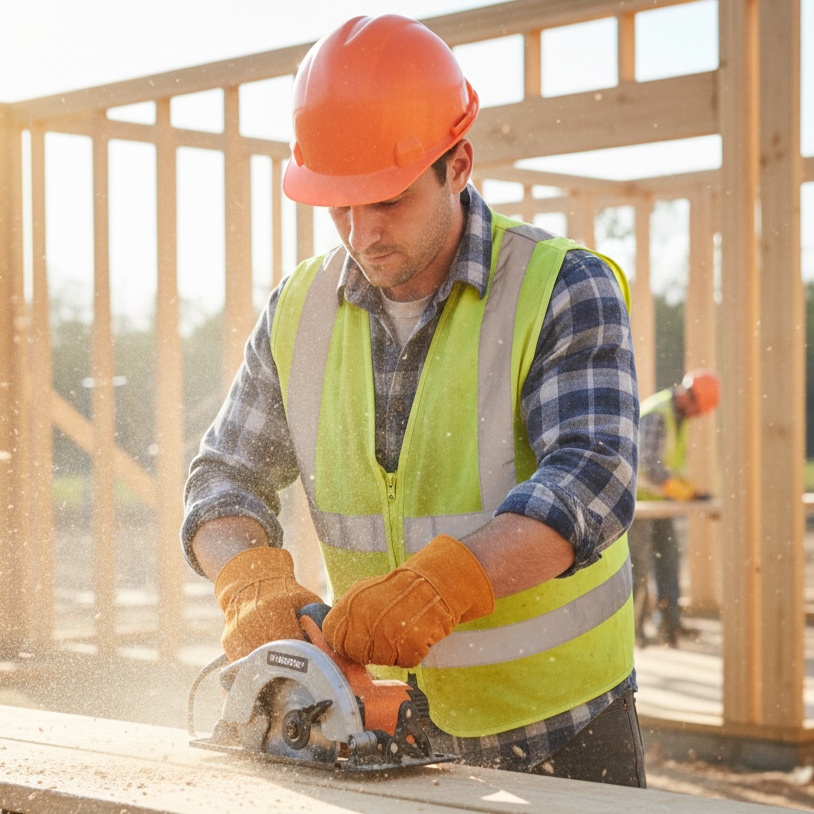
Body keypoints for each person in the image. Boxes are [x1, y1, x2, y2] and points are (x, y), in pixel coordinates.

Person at [182, 15, 643, 786]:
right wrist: (248, 579)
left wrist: (447, 583)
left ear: (457, 164)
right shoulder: (298, 310)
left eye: (387, 200)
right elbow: (222, 479)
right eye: (339, 206)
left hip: (563, 728)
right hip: (380, 731)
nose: (362, 233)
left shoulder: (561, 285)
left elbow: (593, 478)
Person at [630, 369, 720, 648]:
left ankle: (670, 626)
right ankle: (635, 631)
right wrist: (684, 493)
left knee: (668, 561)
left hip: (660, 503)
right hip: (639, 503)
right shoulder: (658, 413)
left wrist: (691, 491)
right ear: (687, 396)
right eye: (697, 409)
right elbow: (649, 468)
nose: (696, 416)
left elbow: (670, 465)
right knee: (638, 568)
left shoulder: (678, 417)